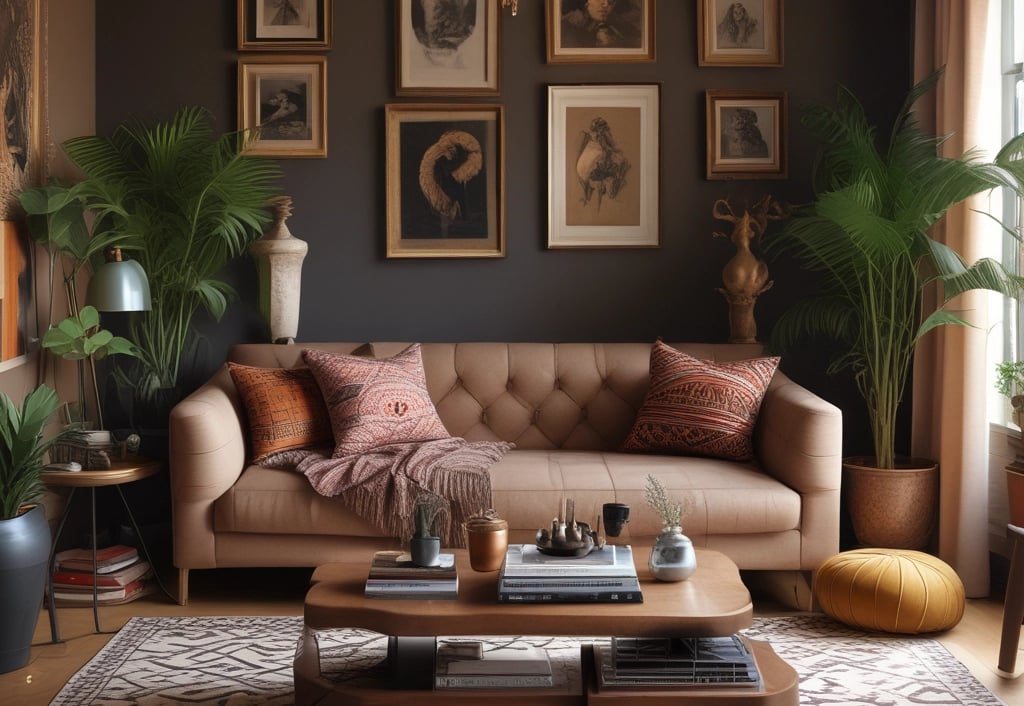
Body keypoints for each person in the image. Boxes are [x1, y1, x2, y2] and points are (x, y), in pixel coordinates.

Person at [560, 0, 642, 49]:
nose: (606, 4)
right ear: (585, 2)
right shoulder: (565, 30)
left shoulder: (626, 30)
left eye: (611, 0)